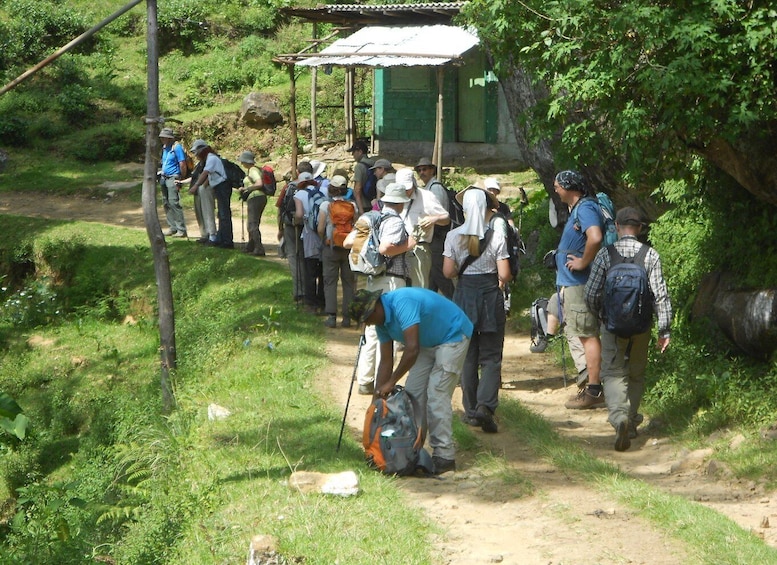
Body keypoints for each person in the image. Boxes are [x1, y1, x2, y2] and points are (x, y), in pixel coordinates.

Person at [349, 287, 473, 474]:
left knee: (436, 394)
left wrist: (391, 382)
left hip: (453, 335)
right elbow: (386, 360)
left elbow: (412, 349)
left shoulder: (402, 303)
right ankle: (411, 452)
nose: (367, 324)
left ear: (375, 308)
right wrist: (377, 402)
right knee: (412, 397)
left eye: (367, 318)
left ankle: (444, 456)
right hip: (427, 342)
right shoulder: (381, 323)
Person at [584, 207, 672, 451]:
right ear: (640, 228)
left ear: (618, 227)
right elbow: (661, 295)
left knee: (613, 373)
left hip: (612, 325)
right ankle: (631, 421)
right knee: (636, 373)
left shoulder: (605, 255)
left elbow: (590, 294)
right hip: (641, 326)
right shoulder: (650, 255)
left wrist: (601, 315)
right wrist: (664, 330)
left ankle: (620, 417)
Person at [443, 186, 511, 433]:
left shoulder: (453, 236)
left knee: (467, 356)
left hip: (464, 296)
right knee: (491, 356)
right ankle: (486, 406)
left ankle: (471, 411)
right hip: (490, 296)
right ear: (485, 208)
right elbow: (504, 273)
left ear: (464, 208)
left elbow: (448, 272)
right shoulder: (497, 236)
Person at [352, 182, 416, 395]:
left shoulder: (370, 217)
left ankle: (365, 379)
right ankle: (383, 381)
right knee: (387, 331)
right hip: (391, 280)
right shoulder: (395, 221)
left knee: (371, 331)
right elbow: (386, 248)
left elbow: (348, 242)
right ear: (400, 203)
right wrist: (409, 245)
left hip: (373, 278)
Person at [552, 170, 606, 409]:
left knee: (587, 334)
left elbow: (595, 236)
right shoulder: (579, 208)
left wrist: (583, 262)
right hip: (574, 282)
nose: (555, 189)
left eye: (557, 185)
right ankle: (593, 386)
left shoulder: (584, 208)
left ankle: (594, 391)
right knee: (585, 333)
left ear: (570, 187)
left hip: (579, 282)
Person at [395, 167, 450, 288]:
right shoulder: (394, 197)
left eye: (408, 189)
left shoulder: (427, 196)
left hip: (418, 249)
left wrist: (434, 219)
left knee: (418, 288)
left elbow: (446, 218)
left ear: (413, 184)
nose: (406, 192)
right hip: (397, 249)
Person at [317, 174, 357, 328]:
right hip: (349, 248)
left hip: (331, 247)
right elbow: (358, 226)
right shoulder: (353, 206)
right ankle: (347, 318)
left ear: (331, 189)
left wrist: (325, 240)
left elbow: (320, 228)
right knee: (348, 282)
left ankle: (331, 316)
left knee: (330, 282)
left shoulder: (325, 206)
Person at [415, 157, 455, 299]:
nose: (422, 172)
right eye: (419, 170)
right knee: (432, 275)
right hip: (433, 236)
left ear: (432, 170)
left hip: (439, 236)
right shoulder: (428, 187)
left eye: (425, 169)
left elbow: (441, 214)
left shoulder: (435, 188)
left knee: (439, 272)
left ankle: (455, 302)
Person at [276, 162, 315, 304]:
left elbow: (280, 209)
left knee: (293, 257)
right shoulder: (316, 187)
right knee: (306, 258)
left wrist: (280, 229)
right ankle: (310, 292)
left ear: (298, 172)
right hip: (310, 227)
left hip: (290, 225)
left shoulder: (289, 187)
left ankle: (299, 292)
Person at [189, 139, 234, 248]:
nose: (196, 156)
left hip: (223, 186)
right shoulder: (210, 158)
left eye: (197, 153)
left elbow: (205, 173)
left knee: (224, 214)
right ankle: (221, 238)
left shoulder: (212, 158)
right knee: (221, 214)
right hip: (219, 187)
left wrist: (196, 186)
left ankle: (227, 241)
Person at [294, 171, 328, 314]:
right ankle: (322, 302)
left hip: (309, 235)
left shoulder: (299, 195)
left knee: (310, 270)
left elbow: (300, 215)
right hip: (324, 233)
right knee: (322, 270)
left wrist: (295, 220)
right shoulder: (324, 191)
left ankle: (311, 304)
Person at [158, 128, 188, 238]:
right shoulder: (165, 147)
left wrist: (180, 178)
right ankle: (172, 227)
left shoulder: (177, 147)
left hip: (173, 177)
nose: (162, 139)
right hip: (164, 177)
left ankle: (181, 229)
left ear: (169, 137)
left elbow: (182, 163)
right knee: (166, 202)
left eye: (164, 137)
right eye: (161, 137)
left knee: (173, 202)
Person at [238, 150, 268, 256]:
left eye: (242, 161)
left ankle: (259, 249)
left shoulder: (253, 170)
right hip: (258, 198)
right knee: (252, 223)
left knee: (252, 224)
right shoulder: (254, 170)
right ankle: (251, 246)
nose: (241, 163)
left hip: (256, 198)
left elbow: (259, 183)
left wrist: (246, 189)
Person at [348, 139, 375, 215]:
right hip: (375, 203)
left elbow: (357, 189)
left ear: (360, 152)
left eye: (353, 152)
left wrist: (360, 209)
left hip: (364, 205)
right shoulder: (374, 164)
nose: (352, 154)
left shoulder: (359, 166)